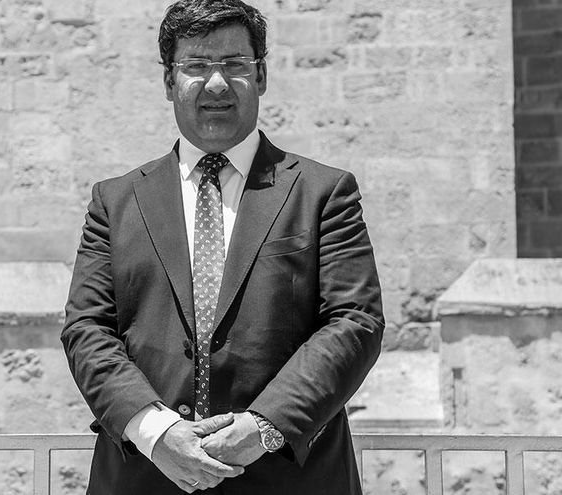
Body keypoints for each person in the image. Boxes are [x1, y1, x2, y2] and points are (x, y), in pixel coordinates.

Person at [61, 0, 384, 493]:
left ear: (261, 76)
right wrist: (156, 431)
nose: (216, 83)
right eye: (196, 65)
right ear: (169, 81)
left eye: (234, 64)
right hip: (147, 475)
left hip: (287, 477)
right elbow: (87, 329)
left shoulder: (323, 193)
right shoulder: (116, 201)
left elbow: (354, 322)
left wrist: (264, 427)